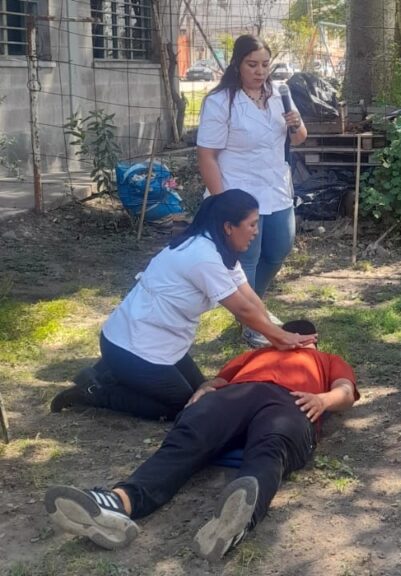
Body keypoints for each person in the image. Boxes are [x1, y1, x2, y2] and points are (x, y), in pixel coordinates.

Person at [44, 319, 358, 562]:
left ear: (314, 341)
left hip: (293, 401)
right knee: (188, 438)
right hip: (235, 395)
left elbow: (345, 391)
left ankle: (236, 521)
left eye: (304, 339)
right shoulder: (254, 355)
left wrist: (322, 400)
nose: (298, 342)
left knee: (271, 447)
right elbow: (219, 380)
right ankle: (118, 502)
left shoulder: (328, 359)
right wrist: (205, 389)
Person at [49, 190, 315, 421]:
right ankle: (95, 391)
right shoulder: (203, 256)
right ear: (228, 227)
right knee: (181, 406)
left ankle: (112, 372)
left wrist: (279, 332)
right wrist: (280, 338)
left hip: (160, 344)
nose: (256, 231)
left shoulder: (221, 250)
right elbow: (242, 310)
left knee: (203, 391)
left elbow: (251, 299)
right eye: (252, 224)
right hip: (132, 347)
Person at [197, 34, 308, 347]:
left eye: (264, 64)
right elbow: (206, 156)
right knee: (248, 258)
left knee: (278, 249)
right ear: (237, 64)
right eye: (252, 64)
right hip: (239, 193)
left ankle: (253, 309)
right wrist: (222, 201)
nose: (260, 71)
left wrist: (296, 123)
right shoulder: (221, 101)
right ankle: (253, 322)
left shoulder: (279, 94)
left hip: (276, 189)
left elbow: (299, 138)